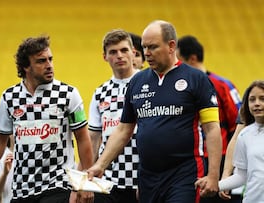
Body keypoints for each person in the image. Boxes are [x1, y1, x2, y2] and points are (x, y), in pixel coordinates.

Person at [87, 20, 222, 203]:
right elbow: (123, 130)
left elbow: (212, 128)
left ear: (171, 46)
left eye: (152, 47)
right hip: (147, 176)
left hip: (184, 174)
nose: (146, 53)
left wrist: (213, 175)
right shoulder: (137, 82)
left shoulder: (196, 79)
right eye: (144, 47)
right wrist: (100, 165)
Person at [0, 35, 94, 203]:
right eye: (41, 61)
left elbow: (83, 138)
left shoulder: (68, 94)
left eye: (50, 59)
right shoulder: (9, 97)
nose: (49, 65)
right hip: (21, 189)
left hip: (58, 185)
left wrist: (85, 183)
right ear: (26, 67)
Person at [176, 35, 242, 203]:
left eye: (178, 59)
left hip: (218, 158)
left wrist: (230, 164)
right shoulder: (178, 86)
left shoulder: (222, 85)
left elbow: (239, 125)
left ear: (192, 59)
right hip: (191, 159)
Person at [88, 29, 139, 203]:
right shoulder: (100, 93)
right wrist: (84, 181)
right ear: (105, 57)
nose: (119, 56)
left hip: (143, 179)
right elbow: (93, 139)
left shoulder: (150, 83)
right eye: (113, 52)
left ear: (133, 53)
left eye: (124, 50)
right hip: (108, 182)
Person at [203, 80, 264, 202]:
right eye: (252, 100)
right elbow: (242, 175)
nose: (257, 103)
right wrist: (218, 183)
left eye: (262, 98)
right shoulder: (245, 135)